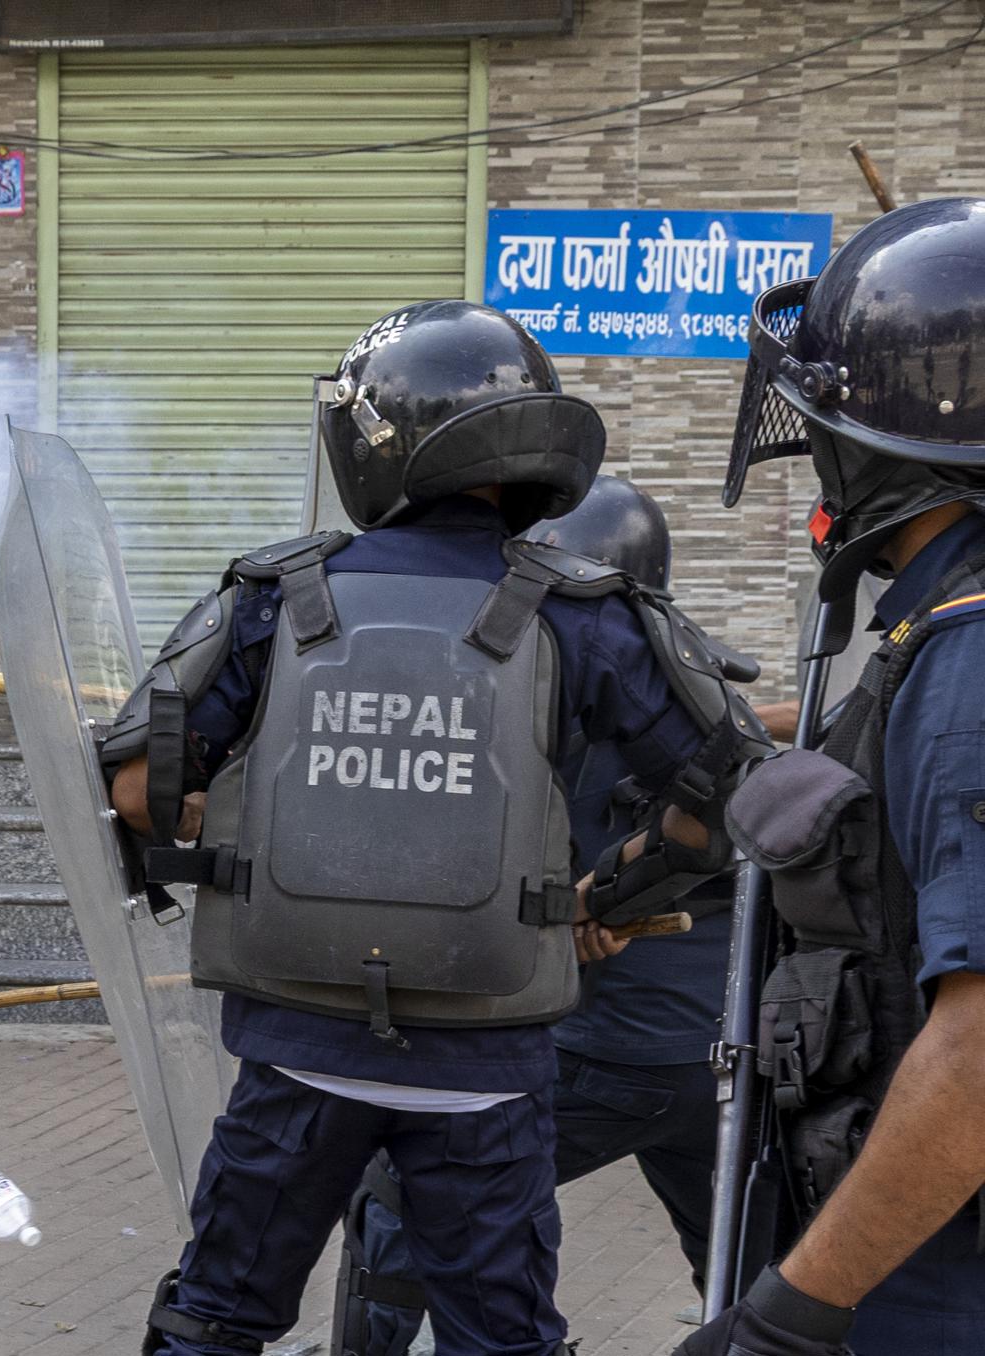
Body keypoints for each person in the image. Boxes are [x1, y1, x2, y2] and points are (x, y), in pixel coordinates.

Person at [105, 301, 768, 1356]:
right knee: (498, 1338)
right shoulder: (585, 612)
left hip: (296, 1054)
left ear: (380, 443)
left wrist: (251, 834)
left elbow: (138, 785)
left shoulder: (277, 596)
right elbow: (728, 801)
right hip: (486, 1071)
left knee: (214, 1317)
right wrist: (601, 901)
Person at [342, 477, 745, 1354]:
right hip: (716, 1054)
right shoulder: (697, 690)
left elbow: (529, 883)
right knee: (744, 1265)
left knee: (403, 1184)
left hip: (616, 1050)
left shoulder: (566, 691)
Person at [681, 198, 985, 1356]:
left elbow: (977, 1054)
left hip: (934, 1290)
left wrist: (792, 1314)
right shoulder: (935, 638)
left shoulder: (970, 661)